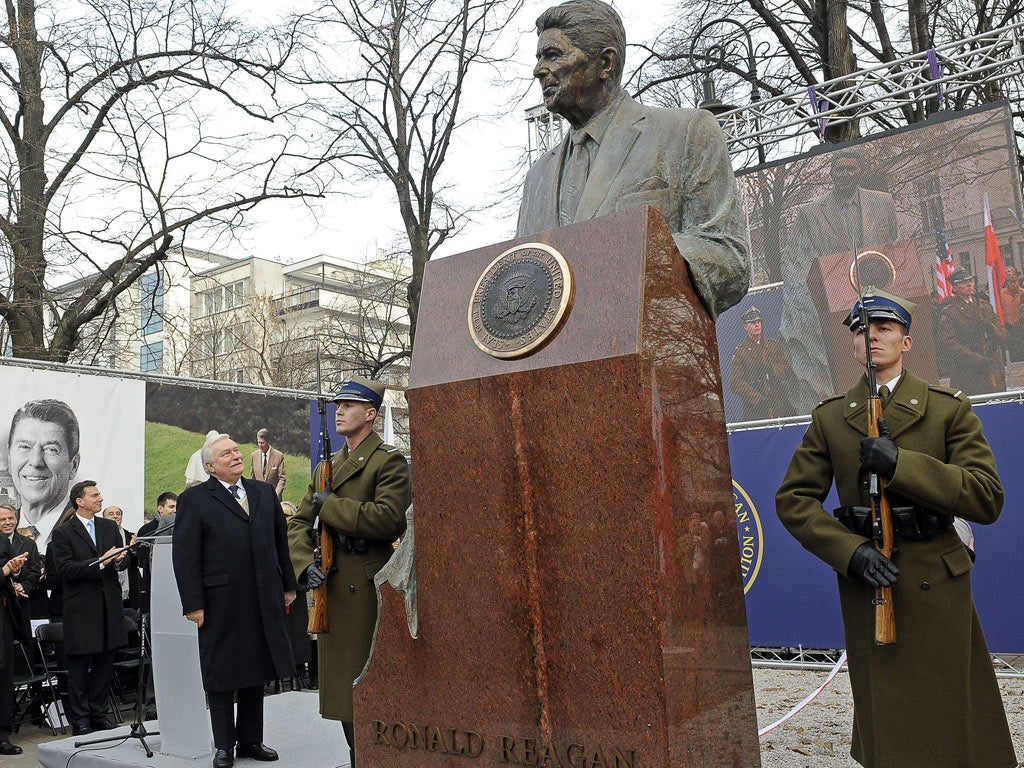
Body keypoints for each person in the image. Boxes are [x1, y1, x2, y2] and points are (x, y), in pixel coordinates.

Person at [775, 289, 1017, 767]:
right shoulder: (830, 419)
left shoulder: (948, 409)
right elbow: (794, 500)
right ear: (852, 344)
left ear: (907, 340)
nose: (872, 338)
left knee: (950, 721)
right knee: (893, 731)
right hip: (872, 582)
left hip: (935, 579)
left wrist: (901, 464)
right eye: (862, 330)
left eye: (884, 328)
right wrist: (849, 552)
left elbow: (986, 497)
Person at [516, 0, 749, 321]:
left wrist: (632, 252)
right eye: (539, 57)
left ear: (606, 63)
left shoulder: (686, 133)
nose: (539, 69)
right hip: (553, 360)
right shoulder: (537, 178)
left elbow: (730, 259)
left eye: (553, 55)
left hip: (653, 347)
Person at [289, 376, 412, 768]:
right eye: (338, 405)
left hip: (368, 583)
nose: (339, 411)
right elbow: (297, 524)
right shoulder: (328, 467)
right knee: (344, 691)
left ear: (371, 414)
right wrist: (305, 564)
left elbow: (389, 520)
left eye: (349, 405)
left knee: (368, 683)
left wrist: (331, 507)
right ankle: (358, 757)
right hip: (331, 581)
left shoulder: (387, 460)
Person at [173, 434, 297, 768]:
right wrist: (193, 604)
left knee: (257, 669)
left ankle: (250, 741)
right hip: (220, 600)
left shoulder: (262, 492)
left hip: (262, 595)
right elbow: (185, 557)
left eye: (236, 451)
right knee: (223, 671)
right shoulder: (196, 499)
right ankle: (224, 745)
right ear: (210, 466)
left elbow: (279, 541)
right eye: (226, 453)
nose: (236, 456)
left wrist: (287, 583)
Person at [779, 148, 901, 412]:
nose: (845, 174)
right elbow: (793, 260)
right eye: (840, 169)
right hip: (836, 307)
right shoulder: (810, 213)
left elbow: (895, 247)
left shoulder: (883, 203)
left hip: (881, 300)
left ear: (860, 171)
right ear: (831, 173)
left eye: (851, 169)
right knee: (849, 374)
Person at [49, 481, 129, 736]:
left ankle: (99, 714)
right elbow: (64, 570)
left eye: (99, 494)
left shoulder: (108, 527)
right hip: (81, 609)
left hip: (109, 606)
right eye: (94, 495)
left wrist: (118, 560)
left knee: (106, 663)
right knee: (80, 667)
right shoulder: (64, 533)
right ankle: (80, 719)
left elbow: (121, 564)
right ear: (79, 501)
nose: (100, 498)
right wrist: (100, 562)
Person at [6, 399, 80, 550]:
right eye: (24, 447)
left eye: (51, 449)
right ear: (9, 459)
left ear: (73, 465)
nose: (36, 461)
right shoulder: (4, 529)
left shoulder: (84, 531)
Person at [938, 267, 1007, 395]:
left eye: (970, 281)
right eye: (963, 282)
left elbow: (1004, 336)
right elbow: (948, 344)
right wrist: (977, 359)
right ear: (955, 288)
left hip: (993, 369)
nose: (969, 284)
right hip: (969, 373)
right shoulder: (951, 313)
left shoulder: (985, 307)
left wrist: (992, 328)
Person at [728, 306, 797, 420]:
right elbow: (735, 382)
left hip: (778, 405)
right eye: (752, 322)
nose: (757, 325)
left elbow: (788, 370)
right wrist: (758, 399)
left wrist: (773, 368)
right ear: (746, 326)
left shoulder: (773, 346)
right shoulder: (741, 352)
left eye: (759, 321)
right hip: (756, 410)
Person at [0, 529, 29, 755]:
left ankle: (2, 735)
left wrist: (14, 573)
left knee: (4, 678)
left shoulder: (1, 539)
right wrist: (5, 570)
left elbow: (8, 573)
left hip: (4, 620)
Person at [103, 505, 140, 611]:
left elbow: (141, 562)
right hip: (108, 590)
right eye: (111, 514)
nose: (115, 516)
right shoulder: (99, 538)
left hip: (131, 590)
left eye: (118, 514)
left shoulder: (132, 537)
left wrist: (133, 549)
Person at [250, 428, 286, 500]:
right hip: (259, 499)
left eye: (262, 443)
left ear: (268, 442)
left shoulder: (278, 456)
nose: (260, 445)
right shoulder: (254, 456)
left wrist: (275, 495)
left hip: (274, 499)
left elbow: (282, 478)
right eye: (258, 442)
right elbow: (252, 478)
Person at [998, 266, 1023, 359]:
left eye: (1014, 280)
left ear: (1018, 279)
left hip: (1021, 329)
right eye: (1010, 281)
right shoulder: (1001, 294)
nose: (1013, 284)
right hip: (1009, 329)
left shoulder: (1023, 293)